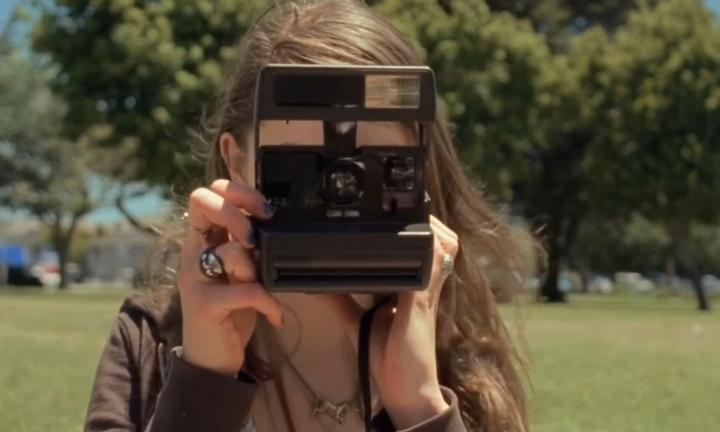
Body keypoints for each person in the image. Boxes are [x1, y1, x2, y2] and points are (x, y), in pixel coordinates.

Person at [84, 1, 530, 431]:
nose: (339, 186)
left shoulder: (465, 361)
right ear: (237, 163)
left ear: (419, 165)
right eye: (302, 164)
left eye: (372, 166)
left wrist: (421, 408)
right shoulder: (151, 343)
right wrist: (202, 385)